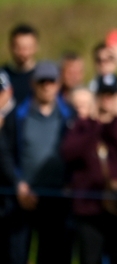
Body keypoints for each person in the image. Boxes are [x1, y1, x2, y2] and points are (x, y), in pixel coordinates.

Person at [0, 61, 75, 264]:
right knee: (16, 256)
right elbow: (5, 152)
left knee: (52, 256)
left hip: (58, 197)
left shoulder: (70, 116)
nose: (47, 86)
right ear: (33, 83)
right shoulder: (17, 116)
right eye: (42, 81)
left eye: (51, 81)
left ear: (58, 84)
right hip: (23, 197)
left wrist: (72, 181)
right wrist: (18, 183)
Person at [60, 75, 117, 264]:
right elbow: (68, 153)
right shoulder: (82, 126)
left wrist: (116, 121)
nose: (107, 99)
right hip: (88, 207)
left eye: (111, 95)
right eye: (103, 95)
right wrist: (96, 125)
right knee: (89, 259)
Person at [2, 23, 39, 104]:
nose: (24, 53)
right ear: (11, 47)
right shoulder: (2, 76)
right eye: (19, 48)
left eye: (28, 48)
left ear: (36, 47)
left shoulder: (45, 77)